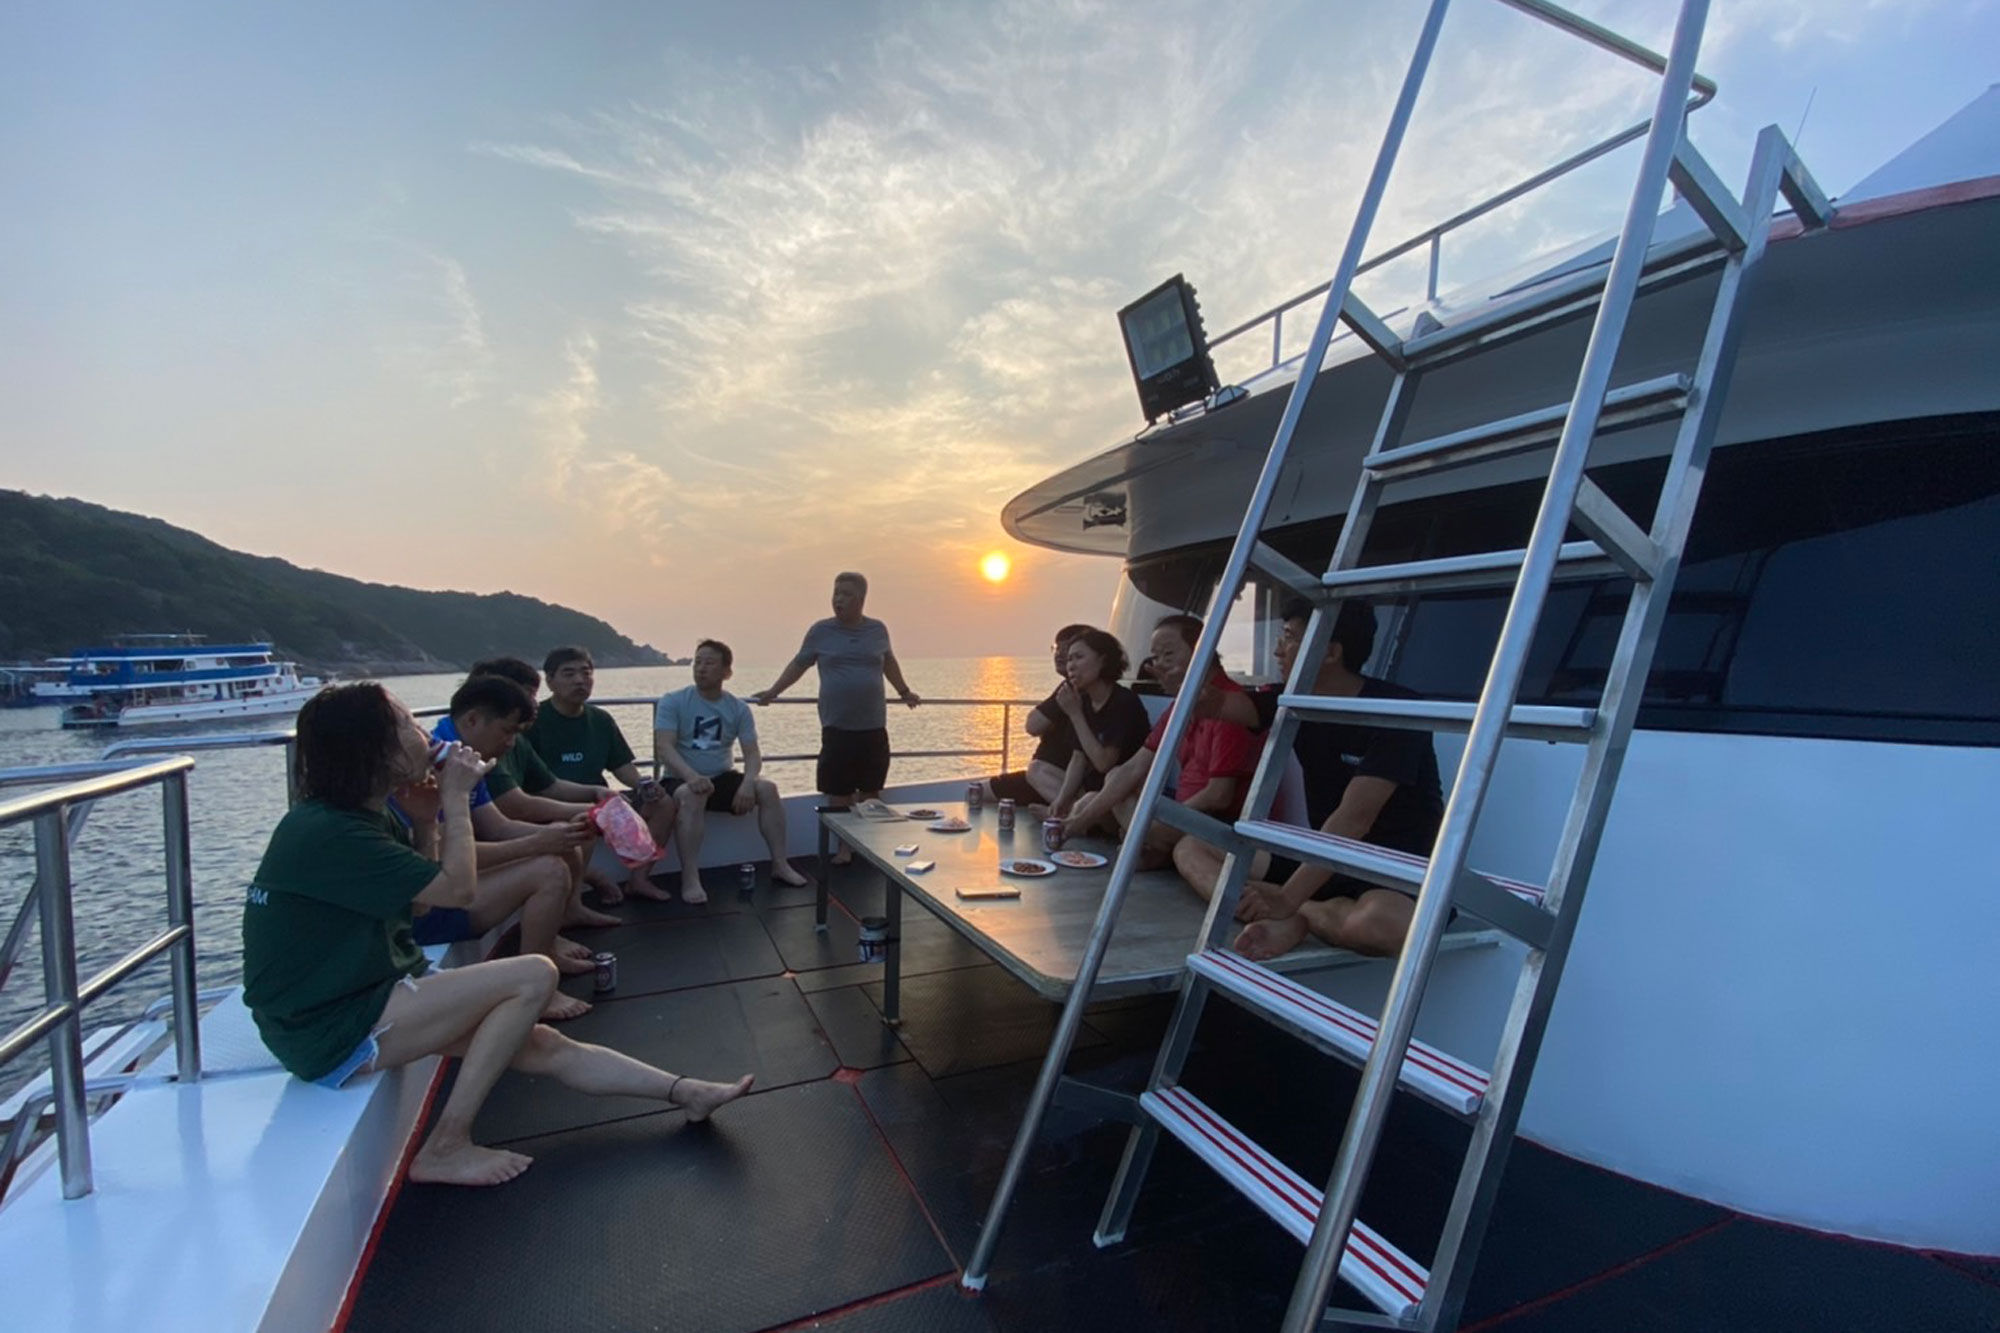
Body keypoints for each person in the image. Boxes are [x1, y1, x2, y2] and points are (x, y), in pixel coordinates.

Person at [241, 682, 752, 1188]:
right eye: (406, 725)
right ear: (374, 749)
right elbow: (459, 891)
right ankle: (446, 1145)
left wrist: (425, 823)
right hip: (325, 1026)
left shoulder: (362, 818)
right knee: (533, 974)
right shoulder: (329, 831)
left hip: (364, 995)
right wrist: (455, 799)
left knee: (543, 1045)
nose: (421, 733)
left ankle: (686, 1092)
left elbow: (418, 903)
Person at [1224, 599, 1446, 961]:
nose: (1278, 649)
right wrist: (1184, 675)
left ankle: (1300, 916)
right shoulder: (1292, 699)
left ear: (1329, 652)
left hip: (1390, 870)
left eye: (1289, 637)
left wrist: (1287, 899)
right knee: (1194, 848)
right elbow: (1220, 704)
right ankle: (1294, 910)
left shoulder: (1398, 710)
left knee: (1385, 925)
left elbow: (1353, 819)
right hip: (1322, 864)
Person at [420, 674, 608, 1019]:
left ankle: (548, 948)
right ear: (472, 720)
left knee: (558, 838)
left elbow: (498, 826)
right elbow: (446, 859)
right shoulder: (437, 769)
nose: (510, 743)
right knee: (548, 870)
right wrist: (538, 843)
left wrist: (559, 833)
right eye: (507, 731)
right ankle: (536, 991)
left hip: (446, 886)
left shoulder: (459, 755)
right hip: (429, 907)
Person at [1059, 614, 1260, 869]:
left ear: (1203, 649)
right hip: (1181, 810)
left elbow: (1218, 796)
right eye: (1156, 657)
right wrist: (1080, 822)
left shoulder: (1228, 706)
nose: (1160, 665)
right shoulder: (1182, 705)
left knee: (1105, 804)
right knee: (1109, 784)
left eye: (1168, 654)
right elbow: (1135, 767)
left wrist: (1160, 825)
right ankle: (1150, 844)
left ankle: (1152, 844)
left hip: (1214, 821)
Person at [750, 572, 919, 864]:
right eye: (836, 593)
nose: (838, 599)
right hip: (837, 727)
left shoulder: (877, 630)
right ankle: (844, 849)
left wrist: (904, 691)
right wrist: (773, 692)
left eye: (846, 594)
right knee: (838, 793)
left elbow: (888, 662)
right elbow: (799, 664)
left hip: (873, 726)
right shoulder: (820, 631)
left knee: (870, 793)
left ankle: (869, 848)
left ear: (861, 600)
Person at [653, 639, 814, 904]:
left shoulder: (737, 708)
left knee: (768, 789)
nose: (701, 668)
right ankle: (690, 878)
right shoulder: (674, 701)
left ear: (726, 672)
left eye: (709, 663)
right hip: (680, 778)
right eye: (697, 662)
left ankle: (780, 864)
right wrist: (692, 777)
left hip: (721, 777)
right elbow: (664, 747)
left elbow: (752, 753)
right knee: (691, 795)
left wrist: (748, 783)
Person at [468, 657, 630, 905]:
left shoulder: (515, 739)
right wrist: (592, 810)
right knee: (576, 828)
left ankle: (574, 904)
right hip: (484, 836)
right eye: (527, 696)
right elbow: (516, 806)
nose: (533, 704)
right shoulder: (481, 744)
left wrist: (596, 792)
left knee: (579, 824)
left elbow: (549, 784)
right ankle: (569, 907)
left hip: (501, 825)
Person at [527, 646, 676, 901]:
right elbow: (531, 782)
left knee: (664, 803)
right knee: (579, 821)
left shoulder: (601, 720)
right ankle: (578, 893)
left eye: (586, 673)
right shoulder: (534, 721)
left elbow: (621, 766)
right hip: (553, 805)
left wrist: (643, 784)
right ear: (550, 681)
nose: (579, 680)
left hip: (601, 802)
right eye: (569, 674)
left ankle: (639, 880)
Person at [1041, 628, 1155, 818]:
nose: (1071, 665)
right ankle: (1066, 815)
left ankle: (1075, 819)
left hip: (1122, 797)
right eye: (1069, 659)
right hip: (1092, 790)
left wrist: (1075, 714)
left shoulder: (1123, 703)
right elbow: (1078, 759)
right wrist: (1061, 799)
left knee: (1087, 801)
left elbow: (1104, 763)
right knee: (1039, 769)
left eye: (1078, 657)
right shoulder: (1083, 701)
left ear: (1102, 660)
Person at [981, 623, 1095, 805]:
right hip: (1044, 778)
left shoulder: (1075, 692)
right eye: (1057, 648)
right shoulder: (1067, 688)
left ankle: (1078, 817)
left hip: (1053, 776)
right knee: (977, 792)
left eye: (1067, 650)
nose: (1059, 654)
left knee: (981, 792)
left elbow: (1032, 726)